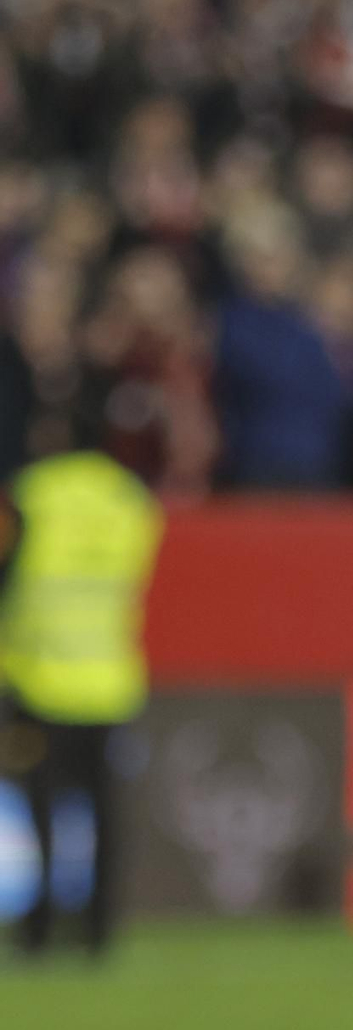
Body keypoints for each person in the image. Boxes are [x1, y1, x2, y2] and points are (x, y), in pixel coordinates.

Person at [0, 409, 163, 956]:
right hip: (110, 679)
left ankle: (40, 930)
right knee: (106, 815)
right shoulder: (128, 500)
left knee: (42, 812)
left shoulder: (30, 494)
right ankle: (100, 931)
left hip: (39, 678)